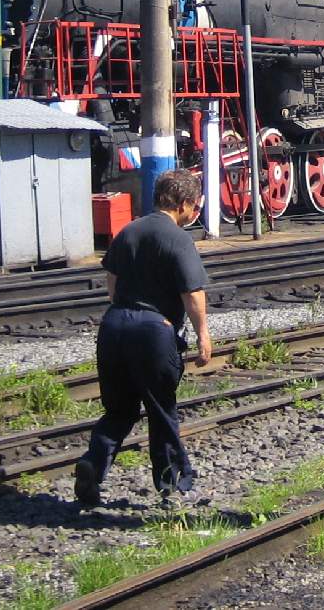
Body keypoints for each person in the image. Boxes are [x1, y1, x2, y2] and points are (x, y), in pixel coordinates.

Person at [74, 169, 212, 509]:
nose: (195, 213)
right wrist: (203, 336)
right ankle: (175, 487)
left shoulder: (128, 231)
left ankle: (93, 464)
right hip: (153, 331)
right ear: (182, 204)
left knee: (119, 410)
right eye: (195, 207)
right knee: (161, 410)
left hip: (114, 326)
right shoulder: (178, 239)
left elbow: (112, 282)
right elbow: (193, 293)